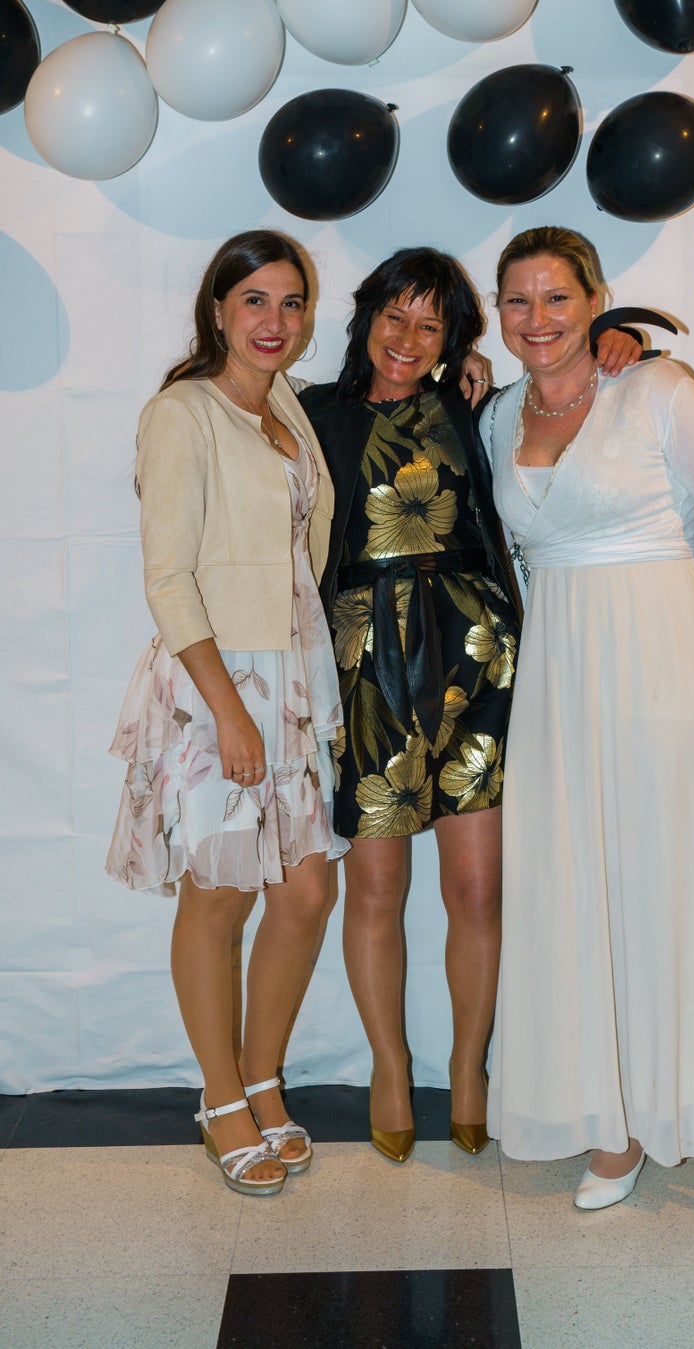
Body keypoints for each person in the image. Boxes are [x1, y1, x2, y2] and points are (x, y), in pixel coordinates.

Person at [297, 248, 643, 1162]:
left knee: (478, 888)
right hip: (366, 666)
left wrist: (617, 336)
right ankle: (387, 1067)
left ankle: (469, 1067)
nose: (408, 339)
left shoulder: (472, 407)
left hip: (477, 662)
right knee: (377, 887)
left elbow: (560, 383)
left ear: (454, 339)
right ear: (366, 316)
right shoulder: (314, 414)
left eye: (432, 324)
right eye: (395, 316)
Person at [483, 226, 694, 1208]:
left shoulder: (659, 389)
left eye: (557, 297)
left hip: (668, 668)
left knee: (662, 879)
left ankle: (655, 1116)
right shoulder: (497, 415)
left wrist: (689, 615)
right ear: (498, 312)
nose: (538, 317)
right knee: (574, 878)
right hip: (560, 675)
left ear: (596, 299)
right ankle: (597, 1101)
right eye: (518, 299)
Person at [106, 230, 347, 1196]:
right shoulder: (182, 412)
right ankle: (219, 1100)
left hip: (292, 672)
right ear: (217, 310)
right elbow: (168, 577)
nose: (274, 321)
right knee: (220, 894)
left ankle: (261, 1077)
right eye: (254, 300)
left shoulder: (284, 403)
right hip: (219, 679)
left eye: (291, 302)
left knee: (305, 893)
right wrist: (228, 711)